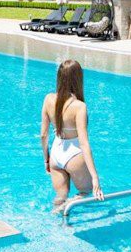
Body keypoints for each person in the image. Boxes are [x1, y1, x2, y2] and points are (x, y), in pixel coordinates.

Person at [40, 60, 104, 211]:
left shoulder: (48, 99)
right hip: (74, 154)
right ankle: (65, 207)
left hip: (56, 153)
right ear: (78, 79)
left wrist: (46, 159)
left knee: (60, 196)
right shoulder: (79, 106)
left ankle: (57, 215)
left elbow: (43, 135)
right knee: (85, 192)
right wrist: (95, 177)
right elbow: (84, 143)